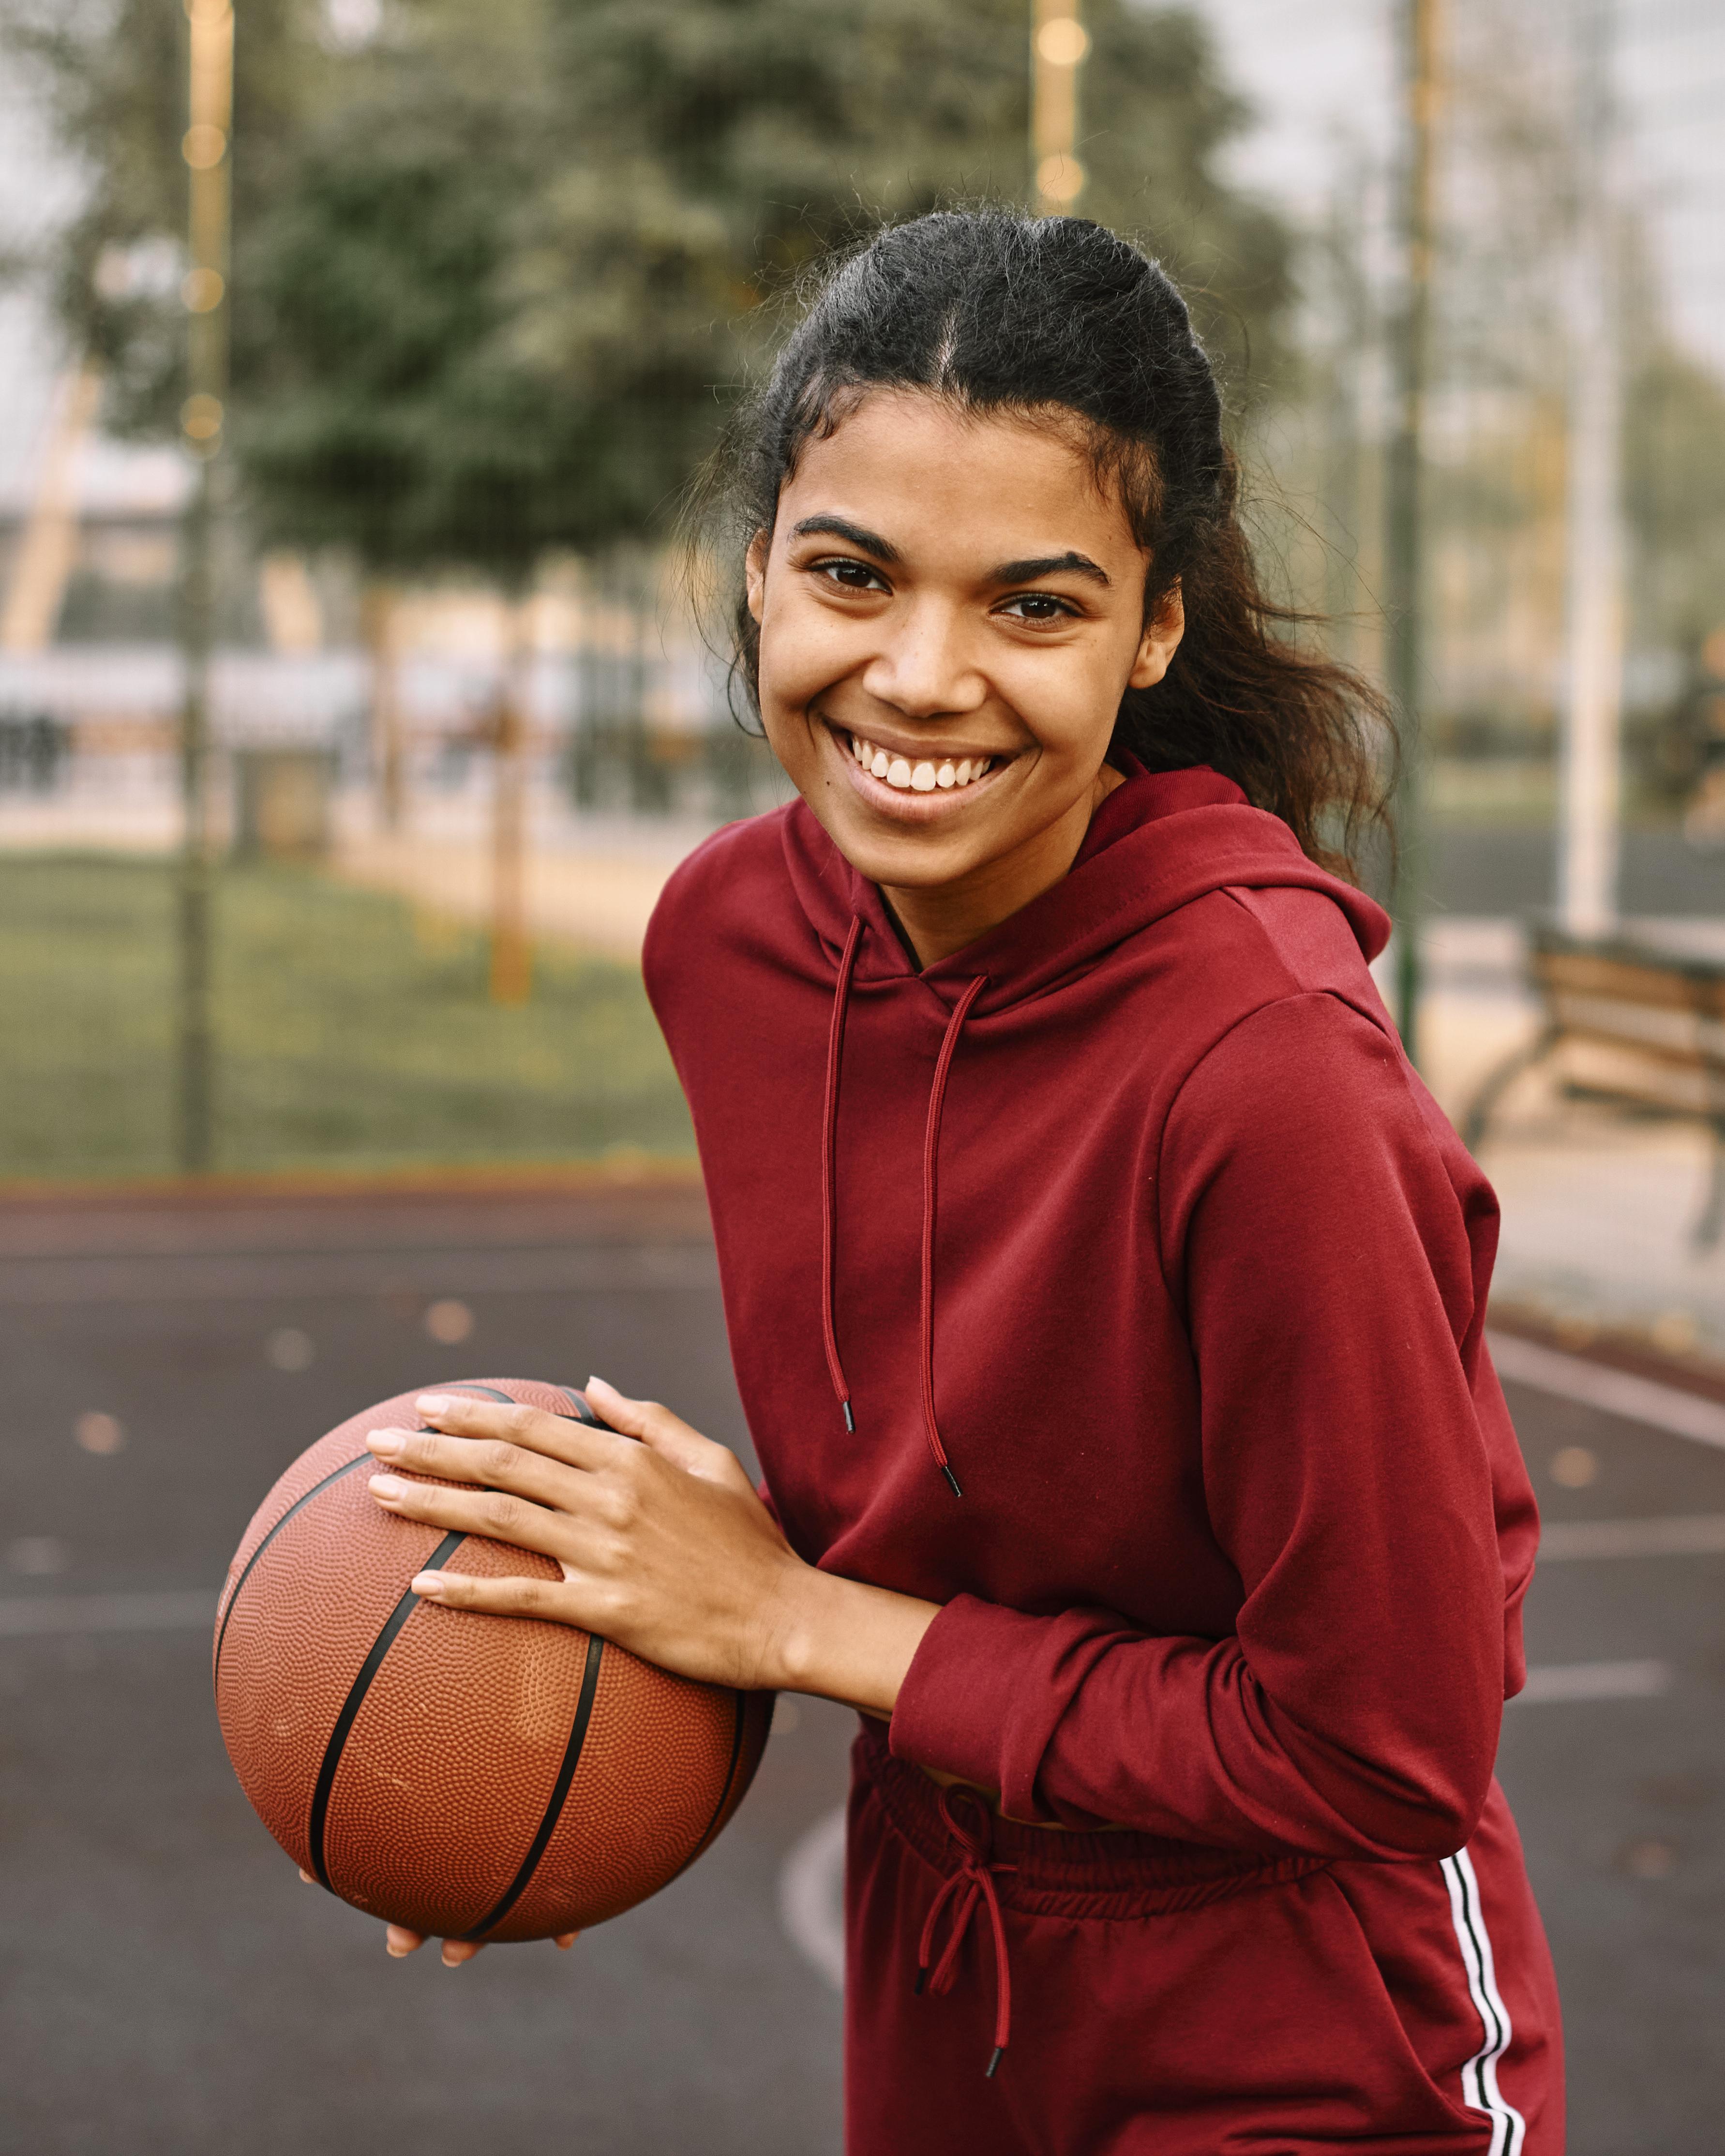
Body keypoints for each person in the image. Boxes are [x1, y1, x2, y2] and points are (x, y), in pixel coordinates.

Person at [361, 210, 1562, 2153]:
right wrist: (552, 1738)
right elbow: (951, 1497)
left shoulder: (1268, 1079)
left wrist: (800, 1625)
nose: (921, 678)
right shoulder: (727, 947)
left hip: (1306, 2039)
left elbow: (1381, 1747)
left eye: (1032, 605)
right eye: (851, 575)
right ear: (757, 570)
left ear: (1155, 626)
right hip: (940, 1991)